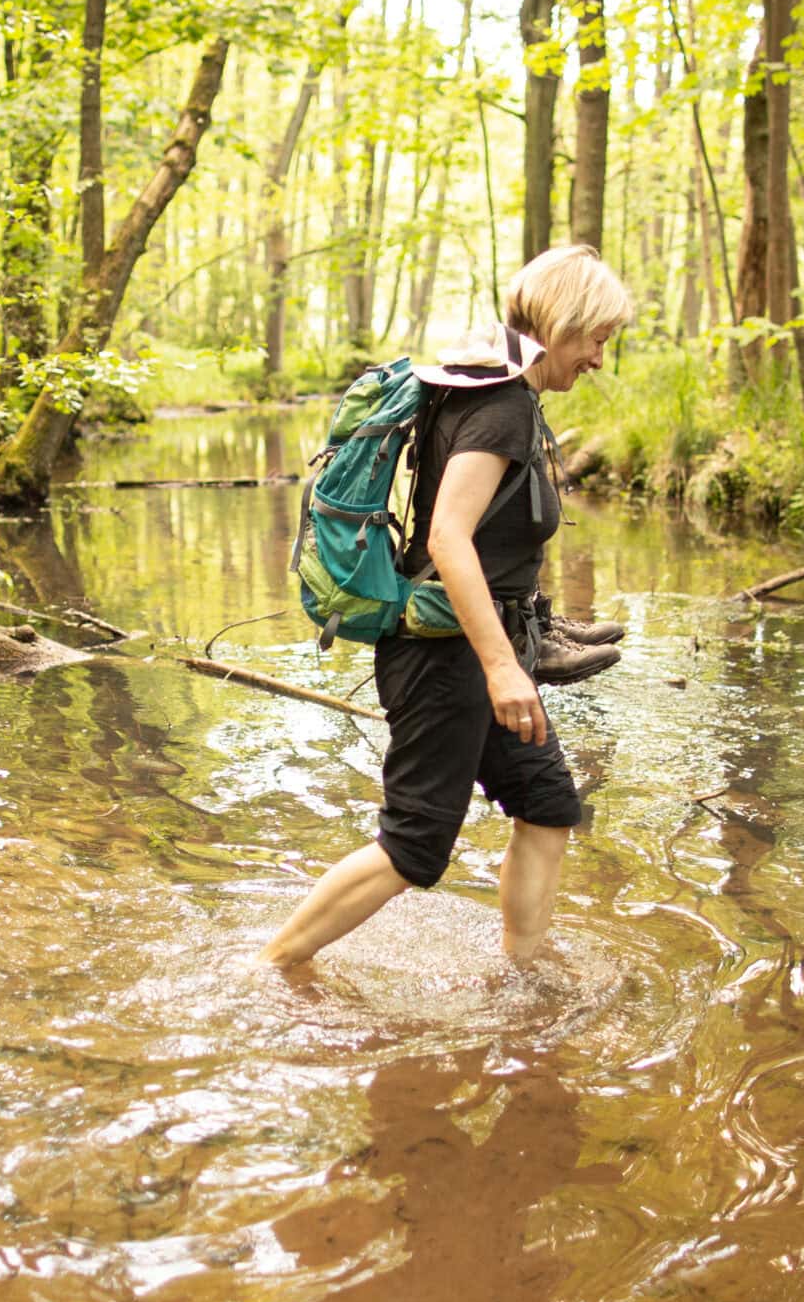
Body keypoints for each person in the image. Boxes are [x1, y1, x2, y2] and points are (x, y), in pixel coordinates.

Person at [264, 243, 634, 971]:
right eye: (597, 339)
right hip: (448, 657)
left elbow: (490, 547)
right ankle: (274, 964)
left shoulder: (490, 388)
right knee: (414, 845)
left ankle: (523, 980)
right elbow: (449, 538)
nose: (597, 357)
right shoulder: (500, 405)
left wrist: (526, 639)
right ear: (565, 323)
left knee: (547, 804)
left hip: (471, 647)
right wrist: (502, 667)